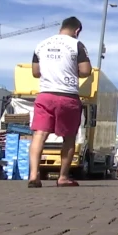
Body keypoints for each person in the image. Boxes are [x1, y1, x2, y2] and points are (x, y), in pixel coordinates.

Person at [27, 17, 91, 189]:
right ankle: (62, 177)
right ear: (77, 31)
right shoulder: (76, 45)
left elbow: (35, 72)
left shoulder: (41, 44)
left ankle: (34, 176)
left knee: (39, 135)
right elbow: (86, 71)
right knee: (68, 138)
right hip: (67, 96)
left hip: (45, 95)